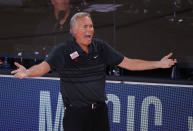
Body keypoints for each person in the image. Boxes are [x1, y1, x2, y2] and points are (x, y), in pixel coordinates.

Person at [11, 12, 177, 131]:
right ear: (74, 30)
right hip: (75, 114)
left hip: (99, 112)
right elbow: (42, 67)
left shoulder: (101, 47)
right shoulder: (62, 51)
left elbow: (129, 63)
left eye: (91, 26)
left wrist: (159, 64)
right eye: (85, 27)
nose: (89, 30)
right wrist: (27, 73)